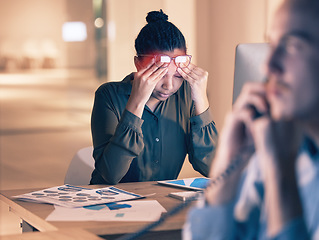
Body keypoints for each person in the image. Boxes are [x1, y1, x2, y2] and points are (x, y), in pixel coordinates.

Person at [183, 0, 319, 239]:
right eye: (273, 44)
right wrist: (227, 166)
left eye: (293, 45)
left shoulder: (277, 156)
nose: (269, 65)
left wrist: (279, 170)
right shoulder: (264, 154)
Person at [90, 10, 217, 185]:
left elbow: (213, 168)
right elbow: (110, 175)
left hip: (161, 203)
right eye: (160, 74)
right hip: (110, 205)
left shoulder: (186, 96)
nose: (169, 85)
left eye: (178, 76)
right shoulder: (109, 96)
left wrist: (201, 100)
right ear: (137, 64)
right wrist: (136, 102)